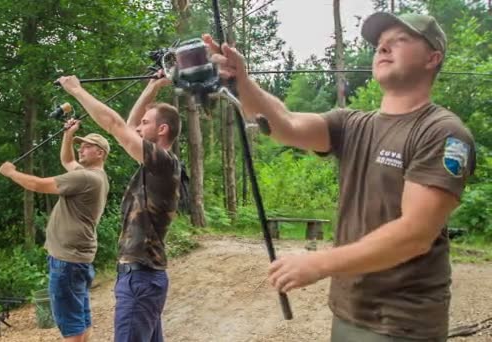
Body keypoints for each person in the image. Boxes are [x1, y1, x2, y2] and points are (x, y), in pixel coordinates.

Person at [204, 11, 476, 342]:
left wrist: (319, 264)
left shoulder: (443, 132)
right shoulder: (352, 124)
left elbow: (415, 234)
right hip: (350, 309)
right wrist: (242, 81)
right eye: (379, 43)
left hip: (403, 320)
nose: (383, 48)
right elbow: (285, 124)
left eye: (399, 41)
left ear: (433, 58)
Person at [57, 71, 181, 342]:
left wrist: (76, 90)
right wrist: (152, 86)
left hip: (140, 280)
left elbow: (115, 124)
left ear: (162, 130)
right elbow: (128, 124)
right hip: (145, 279)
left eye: (146, 123)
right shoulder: (158, 165)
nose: (138, 127)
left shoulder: (163, 162)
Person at [0, 120, 110, 342]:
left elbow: (38, 185)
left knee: (71, 326)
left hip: (67, 261)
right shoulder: (96, 176)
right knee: (80, 319)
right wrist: (69, 135)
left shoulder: (85, 177)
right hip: (77, 259)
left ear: (100, 153)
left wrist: (12, 173)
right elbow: (67, 160)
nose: (81, 149)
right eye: (81, 145)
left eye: (86, 146)